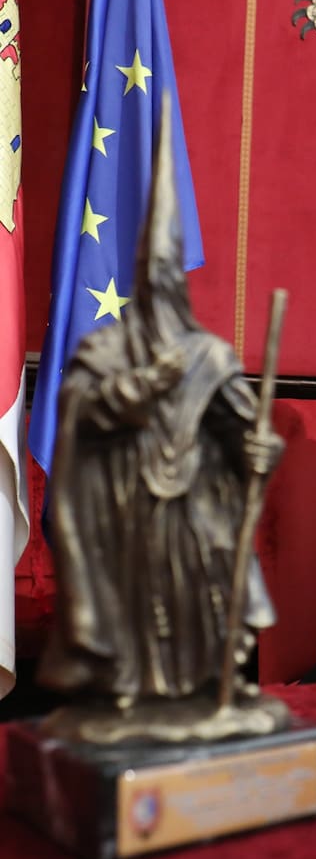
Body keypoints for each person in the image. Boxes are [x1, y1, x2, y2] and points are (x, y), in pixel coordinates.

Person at [38, 124, 281, 709]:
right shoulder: (105, 350)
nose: (159, 288)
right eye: (149, 277)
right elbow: (85, 410)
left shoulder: (209, 356)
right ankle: (128, 694)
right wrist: (146, 386)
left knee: (198, 600)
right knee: (135, 605)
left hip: (195, 508)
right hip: (125, 505)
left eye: (168, 277)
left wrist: (260, 452)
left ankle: (198, 693)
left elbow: (245, 435)